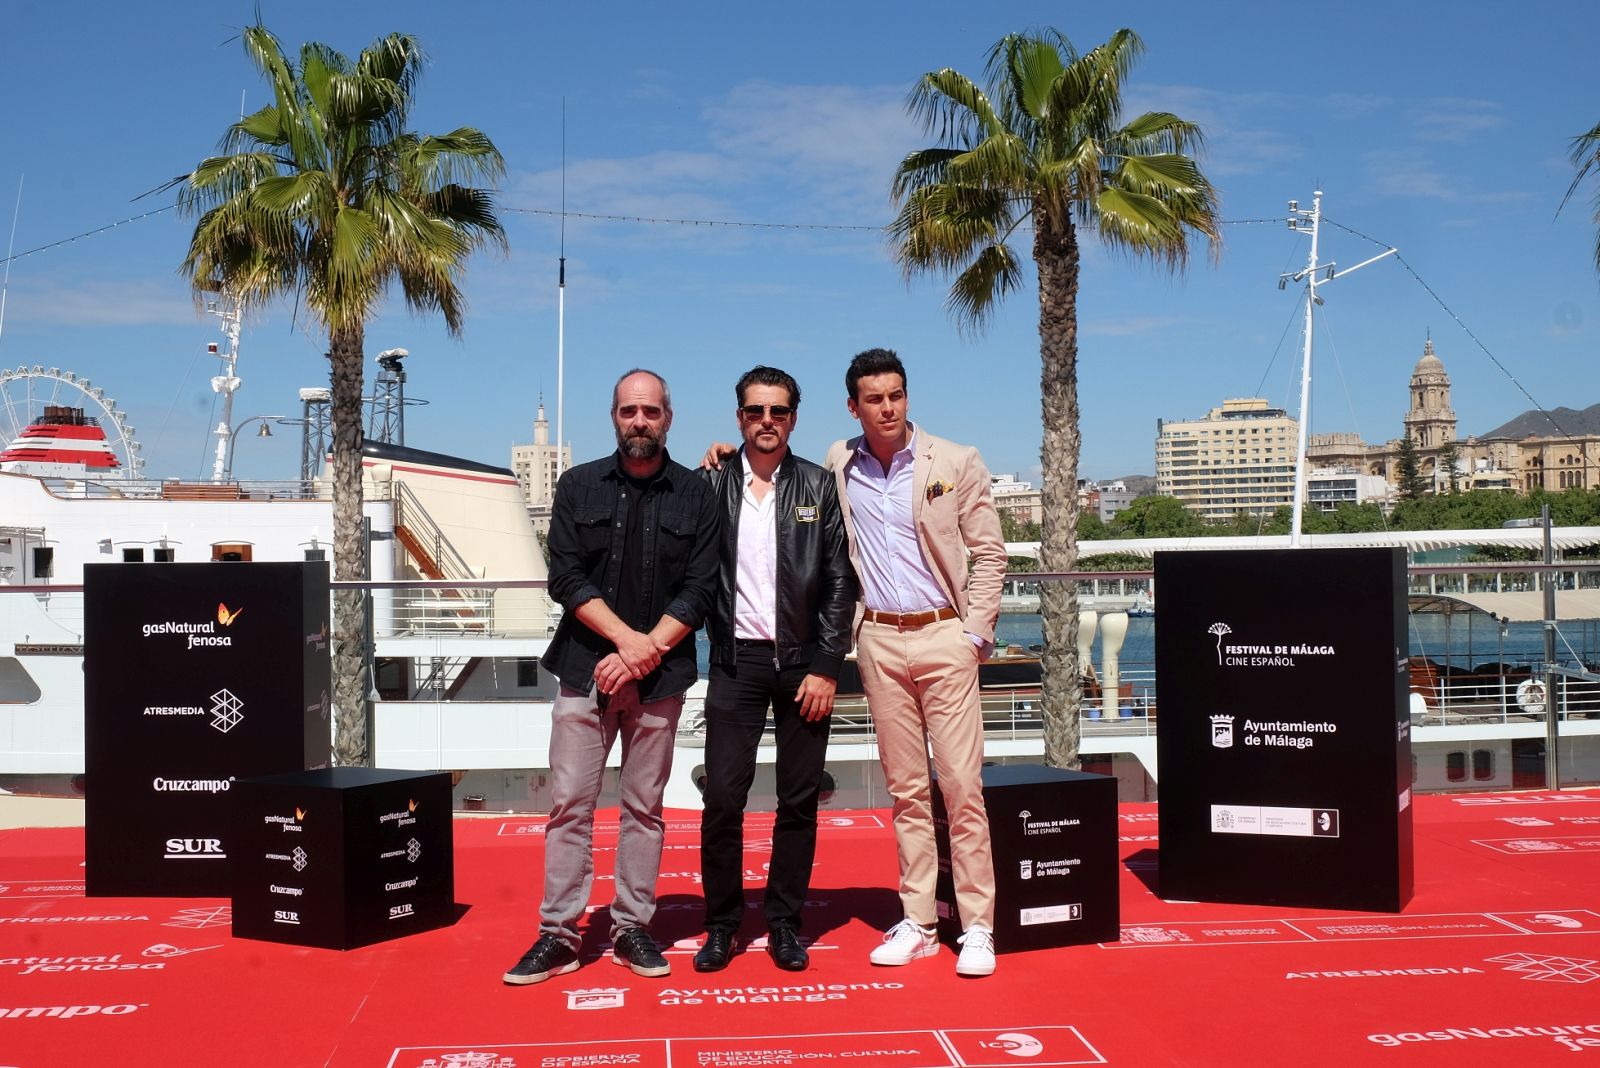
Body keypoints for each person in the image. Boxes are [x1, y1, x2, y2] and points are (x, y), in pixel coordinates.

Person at [503, 369, 718, 986]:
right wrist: (630, 643)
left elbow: (701, 587)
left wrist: (646, 653)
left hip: (662, 678)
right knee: (570, 806)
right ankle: (559, 935)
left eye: (651, 411)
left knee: (644, 809)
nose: (640, 422)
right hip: (584, 671)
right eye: (629, 411)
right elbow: (565, 578)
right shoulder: (577, 486)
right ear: (614, 417)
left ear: (668, 417)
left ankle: (632, 928)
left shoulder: (696, 496)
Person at [823, 348, 1006, 978]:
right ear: (855, 406)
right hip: (877, 639)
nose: (889, 407)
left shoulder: (955, 461)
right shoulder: (838, 463)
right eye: (874, 398)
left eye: (896, 394)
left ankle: (978, 925)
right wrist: (723, 454)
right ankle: (921, 921)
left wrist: (973, 636)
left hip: (943, 638)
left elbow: (990, 554)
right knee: (906, 792)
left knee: (961, 786)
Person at [692, 366, 856, 974]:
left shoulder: (817, 485)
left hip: (803, 667)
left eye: (778, 411)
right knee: (723, 802)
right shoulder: (711, 484)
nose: (767, 421)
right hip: (736, 663)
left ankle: (785, 922)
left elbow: (841, 580)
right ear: (739, 417)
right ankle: (722, 925)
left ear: (793, 418)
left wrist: (827, 664)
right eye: (756, 411)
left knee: (798, 801)